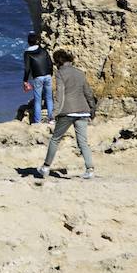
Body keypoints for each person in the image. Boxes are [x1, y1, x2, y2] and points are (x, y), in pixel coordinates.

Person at [36, 50, 97, 179]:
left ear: (58, 61)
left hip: (67, 111)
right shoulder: (80, 73)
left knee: (55, 139)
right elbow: (88, 92)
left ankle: (46, 167)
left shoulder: (60, 73)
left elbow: (60, 95)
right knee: (83, 142)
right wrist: (92, 108)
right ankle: (90, 169)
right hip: (83, 110)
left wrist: (53, 113)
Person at [22, 33, 55, 124]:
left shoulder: (27, 53)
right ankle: (51, 119)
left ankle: (37, 122)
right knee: (49, 97)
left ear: (28, 42)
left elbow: (27, 68)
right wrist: (50, 73)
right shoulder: (43, 50)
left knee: (38, 100)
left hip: (38, 77)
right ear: (37, 41)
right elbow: (50, 63)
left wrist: (25, 80)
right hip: (47, 75)